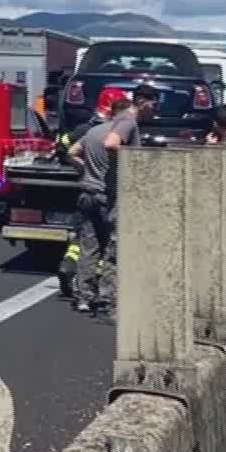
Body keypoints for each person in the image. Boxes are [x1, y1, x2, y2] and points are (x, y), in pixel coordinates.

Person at [66, 84, 156, 317]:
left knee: (89, 246)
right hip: (109, 195)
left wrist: (86, 171)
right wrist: (126, 165)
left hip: (87, 193)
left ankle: (83, 297)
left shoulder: (93, 131)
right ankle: (106, 298)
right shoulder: (127, 124)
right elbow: (112, 145)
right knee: (113, 248)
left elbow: (72, 152)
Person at [57, 86, 126, 298]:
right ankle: (98, 289)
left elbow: (63, 146)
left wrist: (82, 167)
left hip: (84, 188)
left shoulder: (84, 129)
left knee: (84, 238)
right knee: (105, 242)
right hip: (104, 191)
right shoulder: (110, 132)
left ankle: (70, 270)